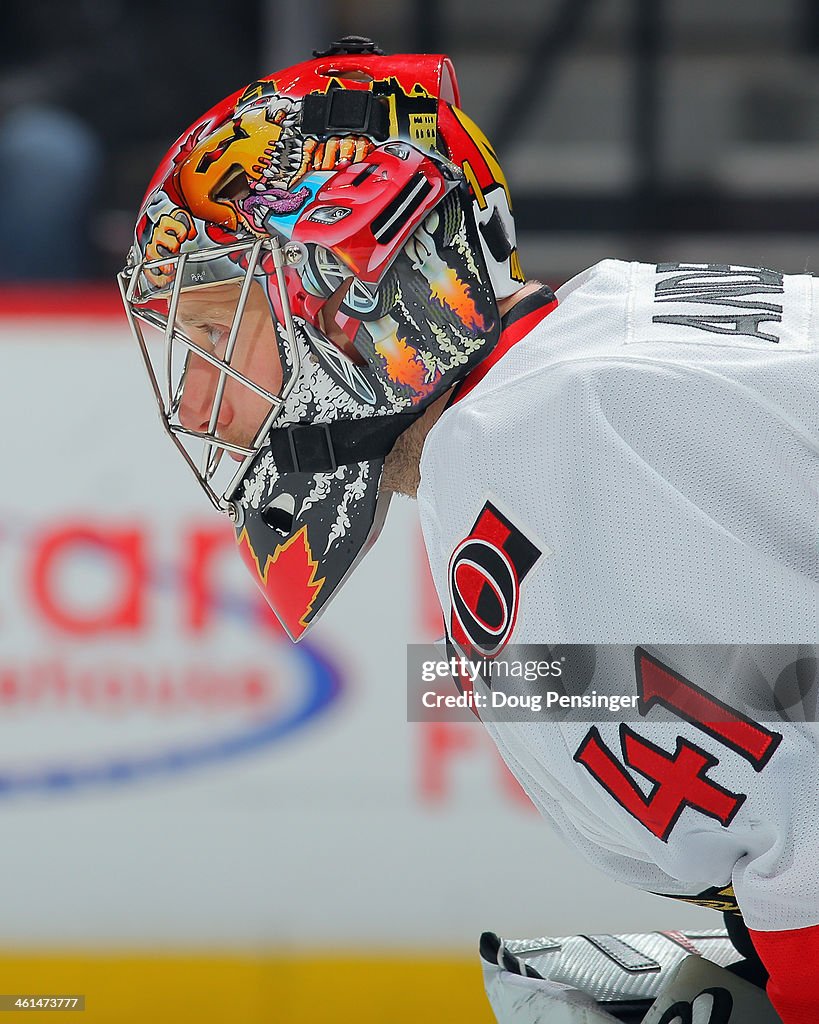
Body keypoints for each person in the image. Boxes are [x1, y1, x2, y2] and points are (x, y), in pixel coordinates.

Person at [118, 37, 819, 1024]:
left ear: (346, 284)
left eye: (216, 336)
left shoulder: (543, 446)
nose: (199, 404)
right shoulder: (592, 346)